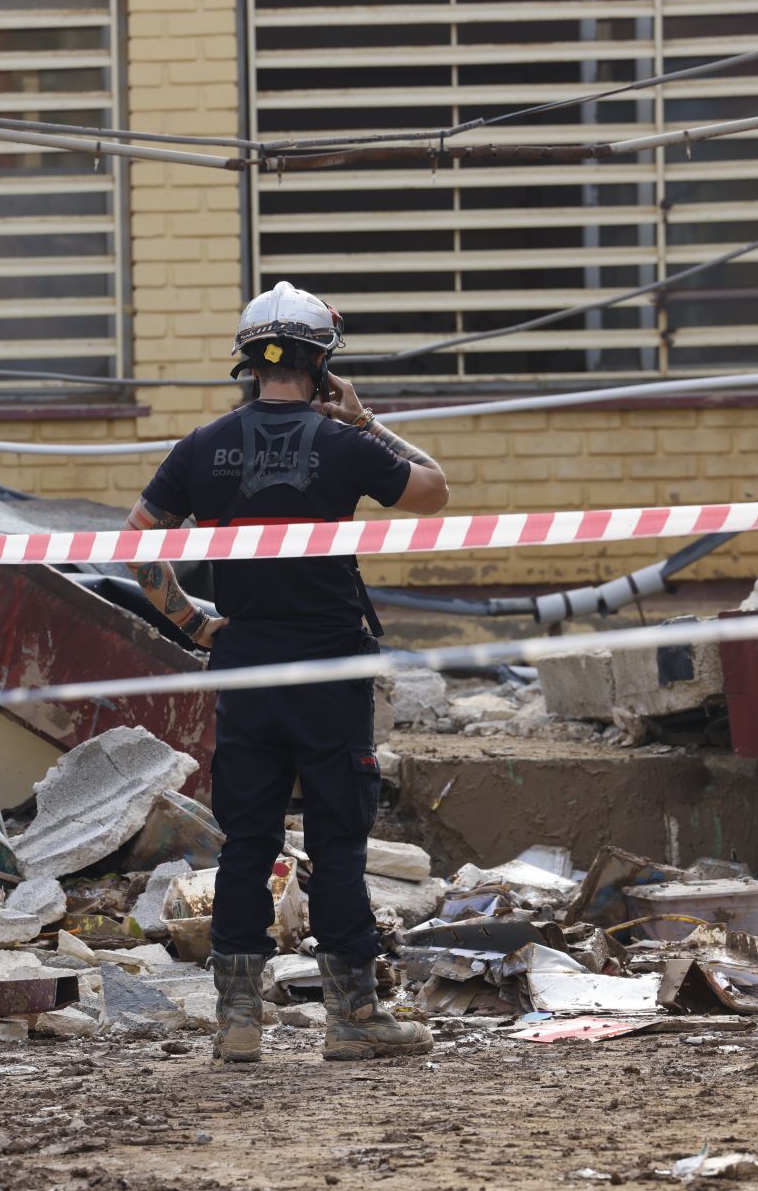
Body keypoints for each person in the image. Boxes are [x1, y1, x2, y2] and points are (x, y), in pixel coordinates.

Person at [123, 282, 450, 1064]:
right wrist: (364, 416)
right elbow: (434, 490)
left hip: (244, 669)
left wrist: (195, 622)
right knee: (338, 844)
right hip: (330, 673)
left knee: (246, 841)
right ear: (321, 363)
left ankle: (238, 1020)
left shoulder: (203, 446)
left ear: (247, 364)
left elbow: (139, 544)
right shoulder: (345, 443)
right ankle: (354, 1017)